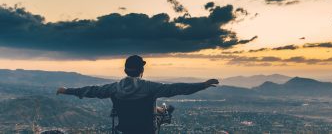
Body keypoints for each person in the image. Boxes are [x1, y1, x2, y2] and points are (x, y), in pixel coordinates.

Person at [56, 55, 219, 134]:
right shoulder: (149, 87)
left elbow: (91, 90)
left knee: (159, 110)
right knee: (166, 110)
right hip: (146, 130)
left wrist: (66, 90)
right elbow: (176, 88)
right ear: (142, 70)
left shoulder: (114, 88)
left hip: (125, 130)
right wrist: (202, 85)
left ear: (125, 70)